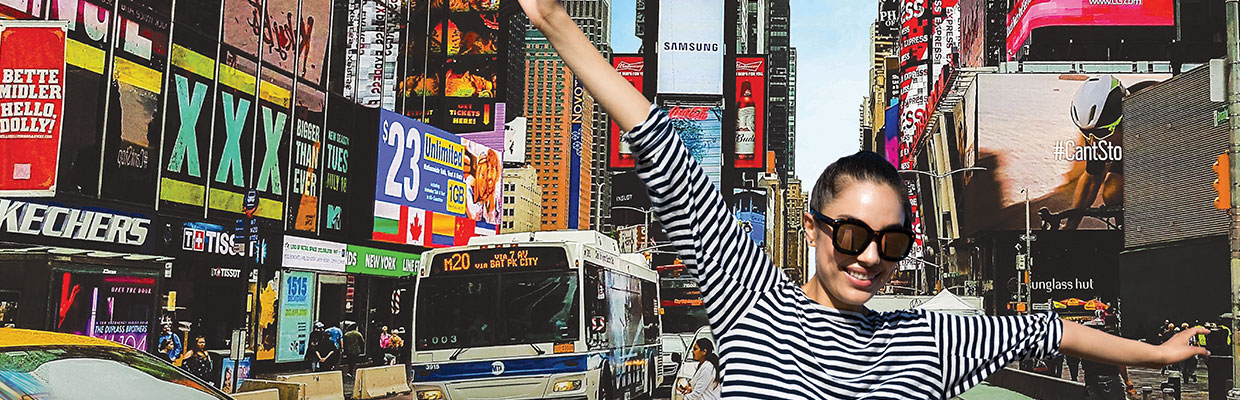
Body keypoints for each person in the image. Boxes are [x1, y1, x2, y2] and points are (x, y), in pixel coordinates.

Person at [516, 0, 1209, 397]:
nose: (868, 258)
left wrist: (1160, 356)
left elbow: (1052, 331)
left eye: (891, 243)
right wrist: (551, 19)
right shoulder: (750, 296)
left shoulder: (931, 337)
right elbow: (659, 142)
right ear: (816, 231)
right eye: (850, 235)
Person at [1080, 318, 1132, 400]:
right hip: (1109, 379)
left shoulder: (1084, 344)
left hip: (1091, 379)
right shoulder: (1111, 338)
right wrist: (1127, 381)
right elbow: (1120, 362)